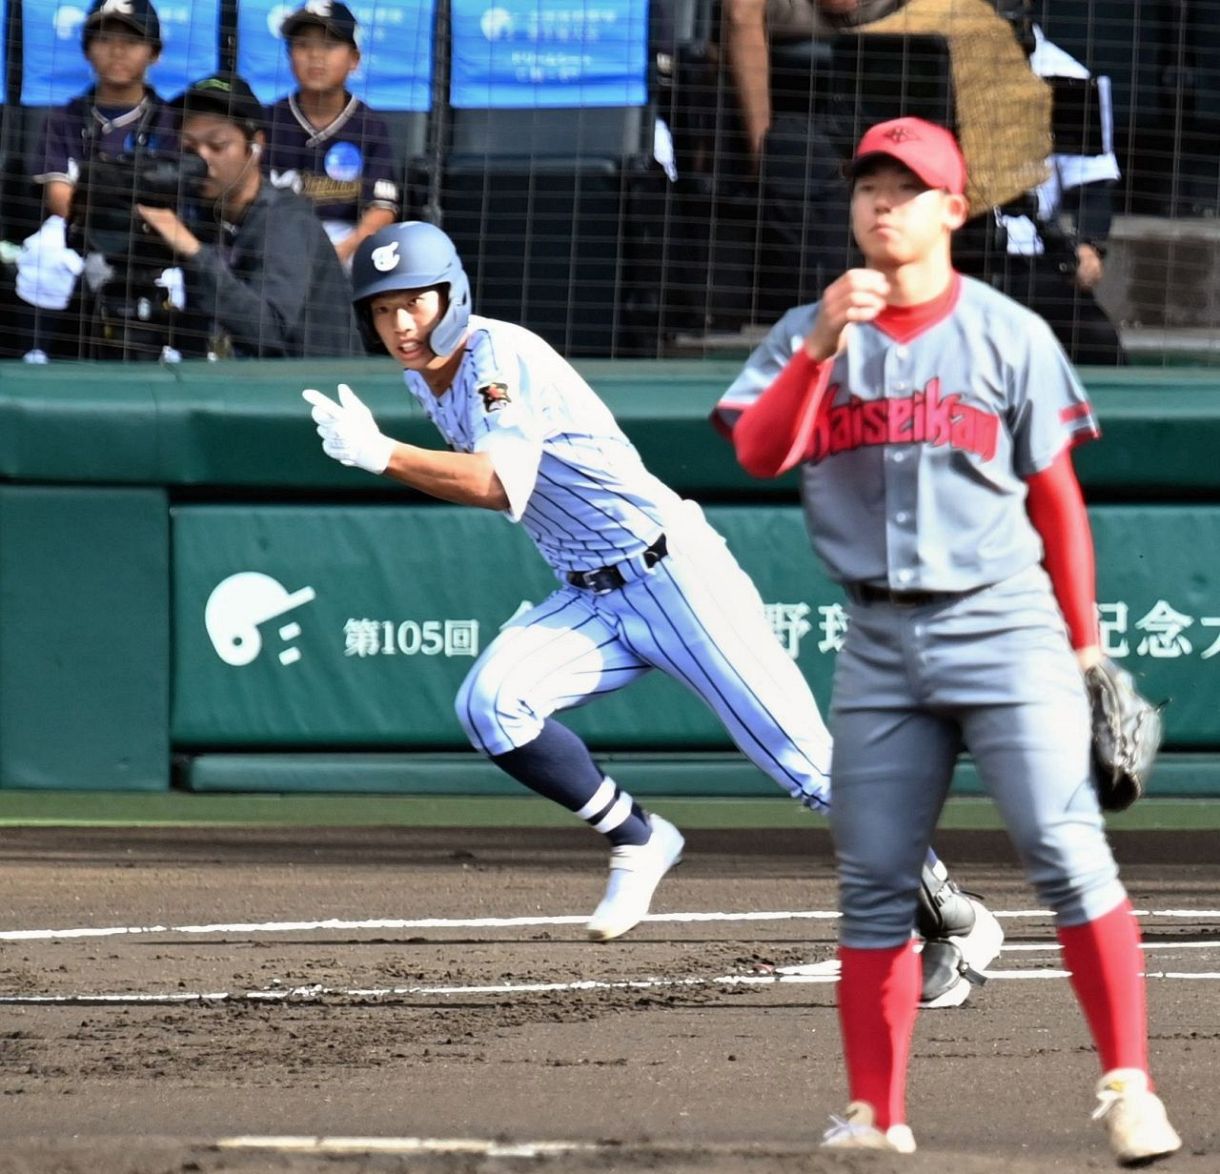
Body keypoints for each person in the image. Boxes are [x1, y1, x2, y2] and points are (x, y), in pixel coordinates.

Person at [300, 220, 1002, 1010]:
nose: (399, 323)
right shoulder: (425, 376)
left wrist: (383, 455)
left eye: (414, 303)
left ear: (452, 295)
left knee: (810, 771)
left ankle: (958, 919)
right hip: (592, 593)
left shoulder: (497, 359)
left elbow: (500, 484)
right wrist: (389, 452)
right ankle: (639, 838)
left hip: (674, 576)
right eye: (382, 308)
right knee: (491, 706)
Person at [713, 116, 1181, 1163]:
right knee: (875, 885)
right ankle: (873, 1115)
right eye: (867, 187)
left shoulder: (1009, 334)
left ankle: (1129, 1091)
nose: (881, 204)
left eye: (905, 188)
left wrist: (1085, 649)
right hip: (878, 639)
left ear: (952, 210)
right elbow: (756, 452)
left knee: (1066, 852)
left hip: (1003, 624)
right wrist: (816, 346)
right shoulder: (810, 330)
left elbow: (1056, 501)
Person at [136, 72, 362, 358]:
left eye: (217, 146)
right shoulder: (202, 213)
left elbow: (269, 332)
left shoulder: (287, 220)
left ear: (255, 146)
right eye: (189, 148)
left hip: (316, 381)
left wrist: (192, 250)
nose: (201, 159)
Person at [957, 20, 1126, 365]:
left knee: (1099, 345)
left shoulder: (1066, 73)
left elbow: (1091, 180)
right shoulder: (930, 57)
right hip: (946, 254)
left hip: (1032, 253)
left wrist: (1088, 244)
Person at [20, 0, 177, 359]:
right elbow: (59, 197)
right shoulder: (64, 118)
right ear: (87, 50)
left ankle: (173, 358)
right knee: (44, 255)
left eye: (131, 41)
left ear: (154, 53)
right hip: (78, 229)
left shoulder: (172, 120)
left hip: (152, 233)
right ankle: (37, 356)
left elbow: (174, 198)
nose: (117, 51)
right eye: (105, 39)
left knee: (178, 276)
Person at [265, 1, 402, 271]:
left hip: (348, 243)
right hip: (277, 240)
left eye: (329, 45)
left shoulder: (370, 125)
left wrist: (342, 252)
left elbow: (382, 209)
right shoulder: (267, 120)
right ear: (289, 55)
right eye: (303, 45)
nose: (315, 55)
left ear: (354, 59)